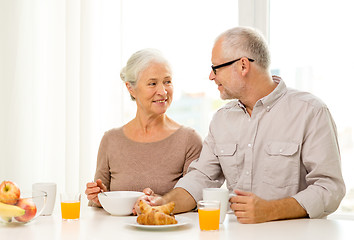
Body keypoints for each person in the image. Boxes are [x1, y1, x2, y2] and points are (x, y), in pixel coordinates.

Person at [137, 27, 346, 223]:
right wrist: (163, 203)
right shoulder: (221, 119)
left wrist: (271, 210)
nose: (211, 76)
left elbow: (329, 188)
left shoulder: (310, 111)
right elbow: (201, 178)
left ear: (243, 65)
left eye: (215, 68)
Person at [85, 48, 202, 207]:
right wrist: (100, 198)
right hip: (116, 232)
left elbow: (195, 200)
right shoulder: (110, 140)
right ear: (130, 88)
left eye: (167, 81)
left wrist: (158, 201)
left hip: (168, 231)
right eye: (152, 83)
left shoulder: (189, 140)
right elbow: (98, 206)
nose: (162, 91)